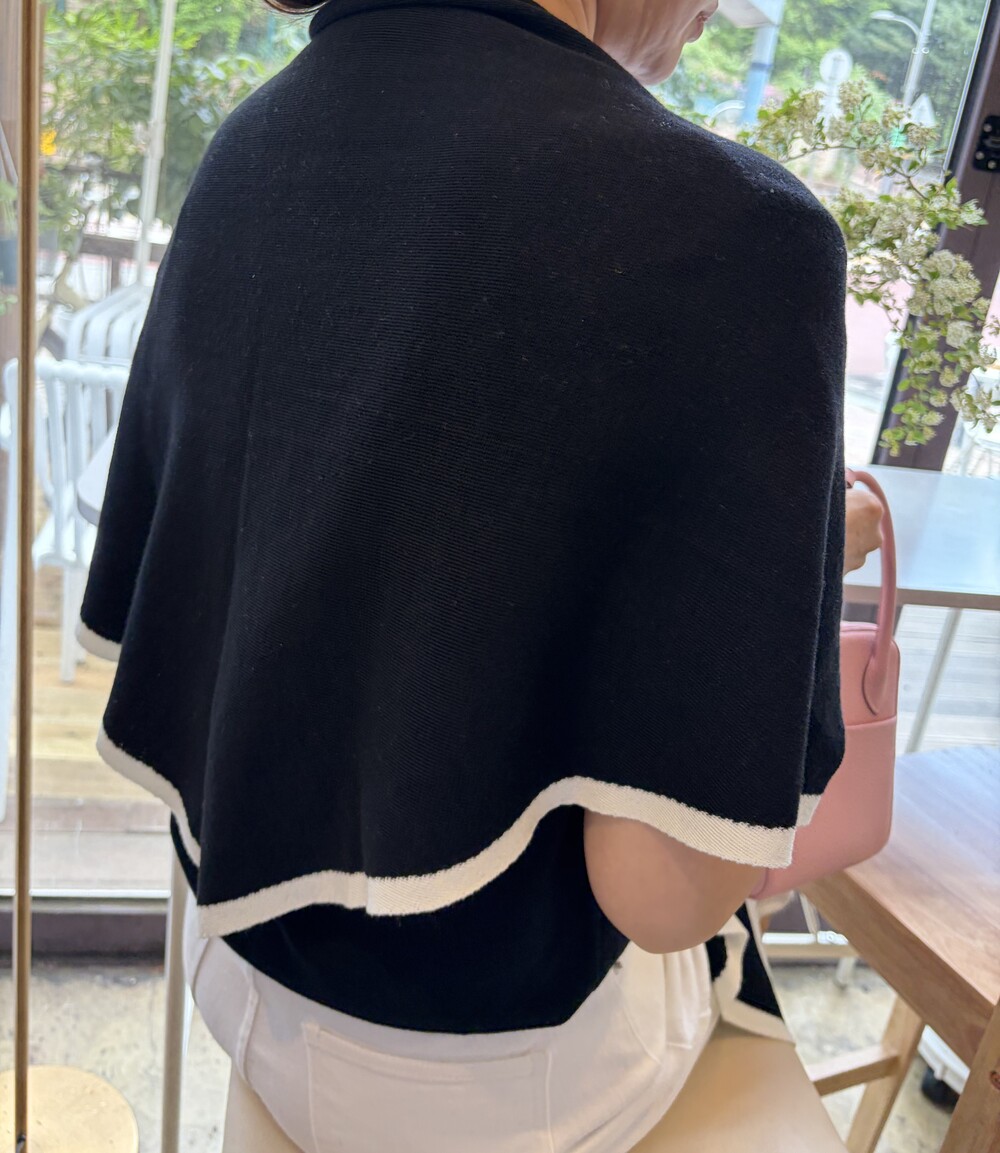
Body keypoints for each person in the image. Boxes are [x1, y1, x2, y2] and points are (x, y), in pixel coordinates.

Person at [78, 0, 884, 1148]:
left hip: (230, 971)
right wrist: (796, 564)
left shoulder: (249, 144)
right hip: (496, 1079)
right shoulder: (743, 229)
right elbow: (662, 897)